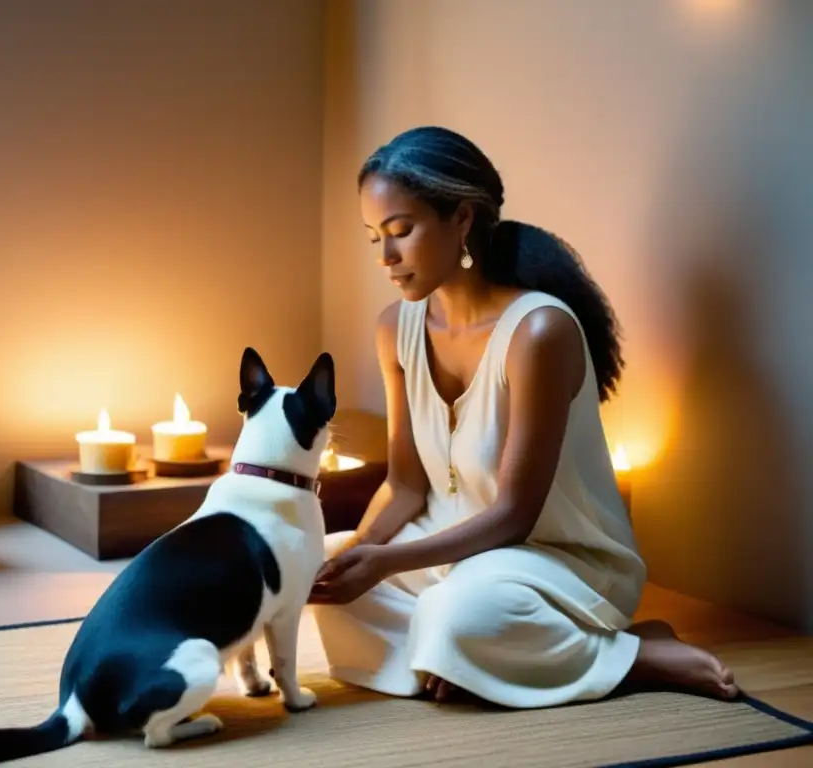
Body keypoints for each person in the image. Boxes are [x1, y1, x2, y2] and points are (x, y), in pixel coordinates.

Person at [307, 126, 738, 708]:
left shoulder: (538, 332)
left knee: (457, 611)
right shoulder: (396, 327)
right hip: (448, 549)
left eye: (401, 231)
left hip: (549, 559)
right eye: (374, 237)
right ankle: (457, 659)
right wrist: (361, 554)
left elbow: (515, 515)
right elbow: (406, 485)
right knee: (326, 566)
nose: (386, 257)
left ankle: (632, 655)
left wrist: (386, 562)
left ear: (461, 219)